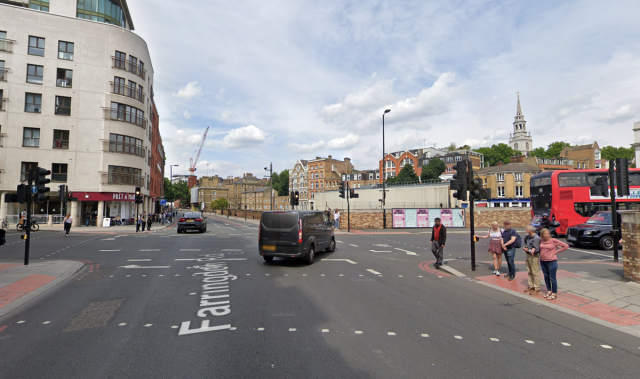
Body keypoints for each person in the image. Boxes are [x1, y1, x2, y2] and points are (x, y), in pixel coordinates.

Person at [539, 228, 569, 300]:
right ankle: (549, 291)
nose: (546, 235)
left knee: (552, 278)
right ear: (542, 234)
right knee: (546, 277)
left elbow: (566, 246)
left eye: (547, 233)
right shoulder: (541, 240)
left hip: (552, 261)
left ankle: (554, 293)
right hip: (543, 261)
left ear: (549, 234)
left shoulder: (554, 241)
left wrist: (556, 252)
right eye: (544, 234)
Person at [523, 225, 541, 294]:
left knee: (535, 272)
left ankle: (537, 288)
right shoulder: (528, 237)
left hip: (533, 256)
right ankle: (531, 286)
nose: (526, 231)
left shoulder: (536, 238)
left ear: (531, 230)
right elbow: (527, 244)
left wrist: (528, 250)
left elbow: (537, 250)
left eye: (527, 229)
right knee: (529, 271)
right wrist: (526, 248)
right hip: (528, 255)